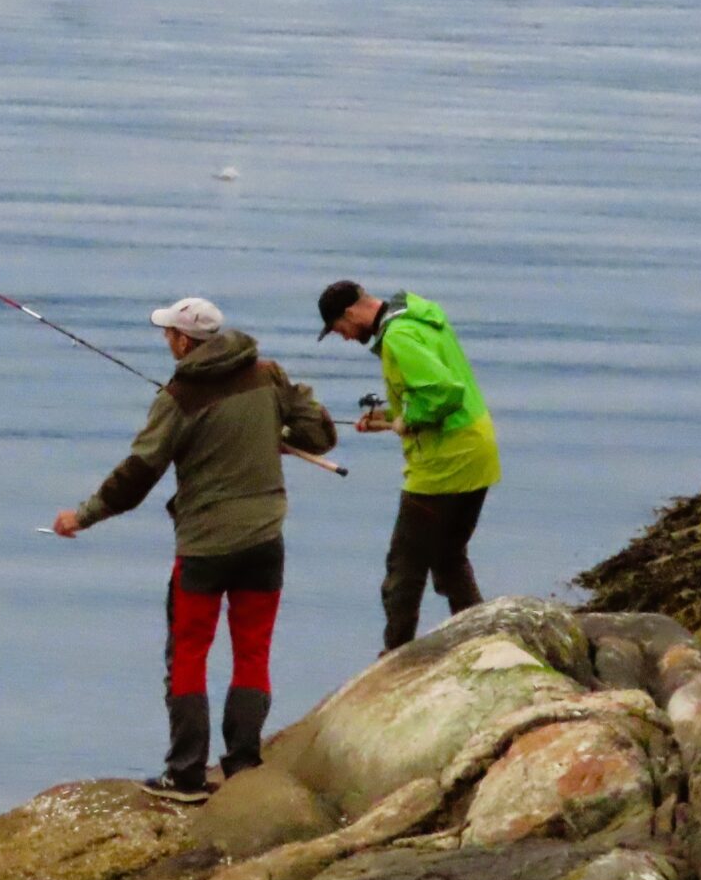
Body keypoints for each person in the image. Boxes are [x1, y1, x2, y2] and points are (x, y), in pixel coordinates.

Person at [52, 297, 338, 801]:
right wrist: (278, 431)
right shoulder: (268, 374)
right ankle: (243, 763)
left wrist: (83, 515)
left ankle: (186, 775)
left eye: (169, 334)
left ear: (186, 341)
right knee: (252, 653)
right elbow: (321, 433)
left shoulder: (179, 397)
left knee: (188, 656)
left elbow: (139, 473)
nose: (166, 341)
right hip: (264, 541)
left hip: (205, 548)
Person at [317, 279, 500, 651]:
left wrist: (408, 420)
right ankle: (482, 641)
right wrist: (388, 416)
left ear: (352, 312)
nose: (346, 338)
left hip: (444, 462)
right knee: (448, 557)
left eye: (340, 329)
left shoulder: (398, 336)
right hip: (476, 448)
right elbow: (437, 387)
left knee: (404, 567)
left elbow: (443, 392)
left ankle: (395, 655)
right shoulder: (419, 318)